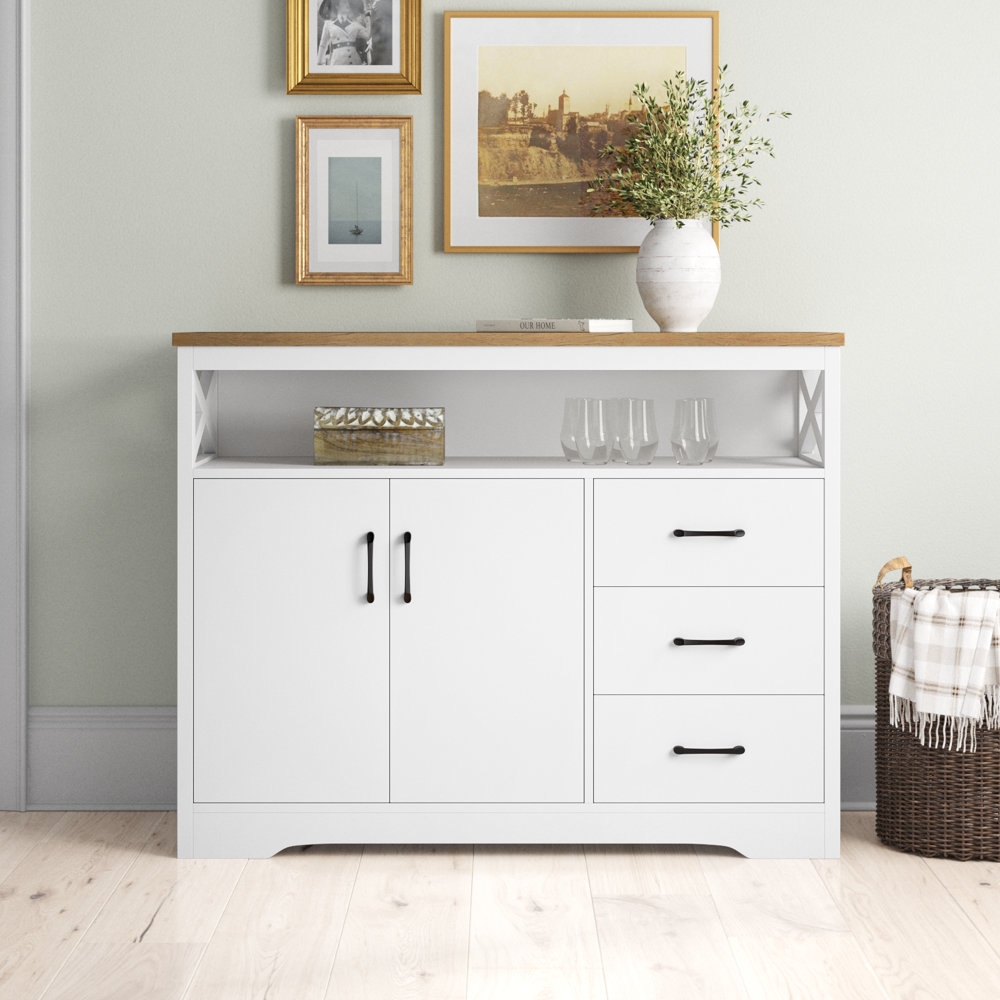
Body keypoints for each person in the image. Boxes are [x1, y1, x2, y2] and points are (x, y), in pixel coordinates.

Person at [316, 0, 371, 66]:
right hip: (337, 64)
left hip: (355, 64)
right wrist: (320, 63)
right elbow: (323, 45)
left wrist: (367, 15)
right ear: (337, 6)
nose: (347, 4)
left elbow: (368, 35)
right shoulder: (328, 24)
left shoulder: (355, 24)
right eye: (344, 2)